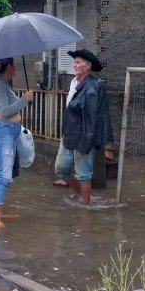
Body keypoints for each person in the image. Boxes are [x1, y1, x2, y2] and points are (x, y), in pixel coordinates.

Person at [55, 49, 113, 205]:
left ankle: (85, 208)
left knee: (84, 174)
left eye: (78, 62)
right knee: (61, 169)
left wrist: (86, 142)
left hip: (84, 136)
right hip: (70, 133)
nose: (75, 65)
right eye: (75, 62)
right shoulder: (74, 82)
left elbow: (92, 118)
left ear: (87, 66)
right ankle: (81, 195)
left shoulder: (94, 87)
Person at [0, 57, 34, 228]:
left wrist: (23, 101)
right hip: (1, 133)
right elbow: (4, 111)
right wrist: (24, 100)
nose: (17, 67)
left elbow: (3, 108)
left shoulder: (3, 83)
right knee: (4, 176)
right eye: (14, 64)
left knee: (6, 173)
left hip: (6, 133)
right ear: (9, 66)